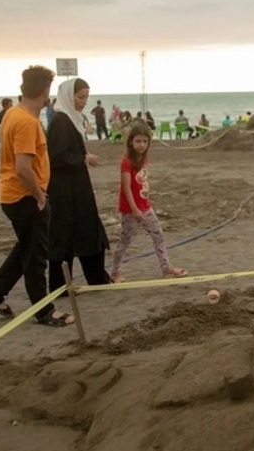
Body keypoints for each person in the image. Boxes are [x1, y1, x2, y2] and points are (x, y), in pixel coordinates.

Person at [0, 65, 76, 327]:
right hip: (24, 197)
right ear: (45, 92)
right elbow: (23, 168)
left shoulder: (11, 113)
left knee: (25, 248)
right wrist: (40, 197)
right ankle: (44, 311)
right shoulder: (27, 122)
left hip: (12, 194)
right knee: (36, 257)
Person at [46, 78, 112, 291]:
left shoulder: (70, 119)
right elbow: (57, 156)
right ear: (68, 95)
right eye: (80, 97)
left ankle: (96, 278)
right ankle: (61, 286)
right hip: (64, 190)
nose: (84, 102)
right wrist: (84, 158)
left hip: (76, 186)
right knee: (64, 235)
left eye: (86, 97)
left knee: (87, 230)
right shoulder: (61, 120)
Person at [107, 123, 187, 282]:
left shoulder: (143, 160)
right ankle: (115, 273)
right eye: (138, 141)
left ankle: (166, 268)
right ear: (131, 142)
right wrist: (134, 209)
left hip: (146, 206)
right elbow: (126, 187)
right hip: (131, 209)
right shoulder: (126, 162)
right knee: (125, 240)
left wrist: (144, 203)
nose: (142, 145)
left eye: (145, 141)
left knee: (158, 235)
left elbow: (141, 183)